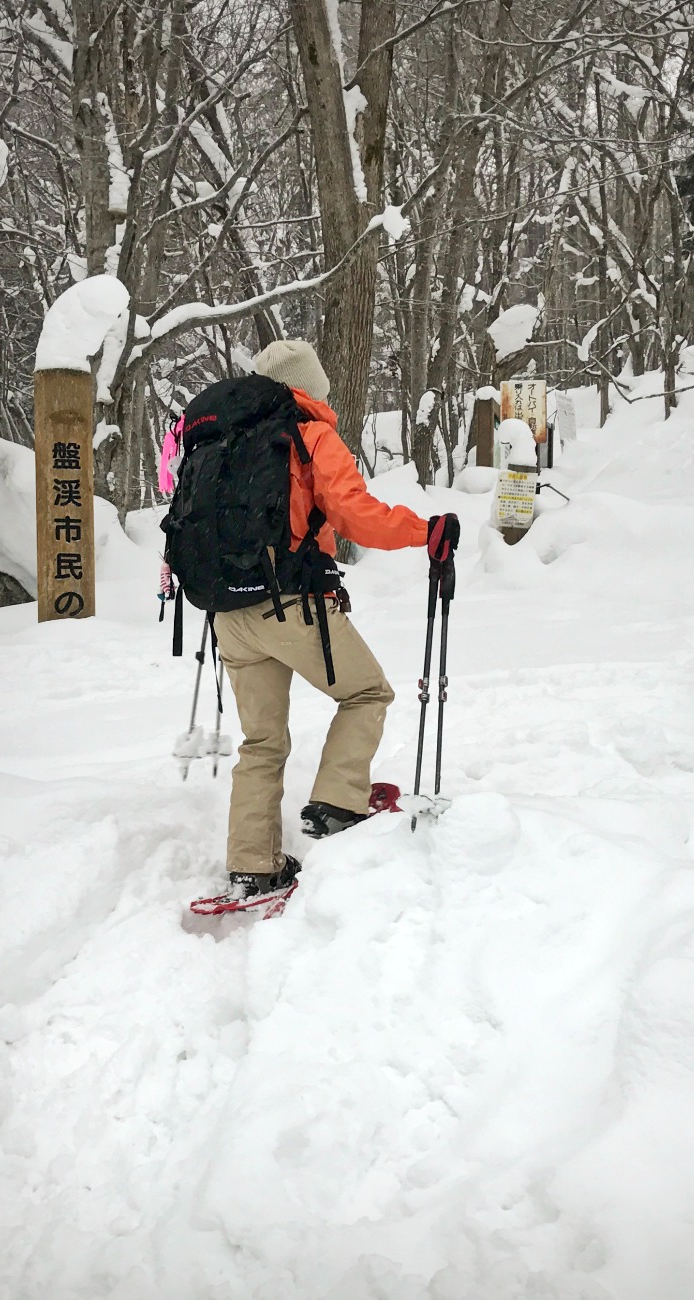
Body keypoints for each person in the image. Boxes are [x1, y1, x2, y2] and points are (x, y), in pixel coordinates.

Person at [211, 338, 459, 903]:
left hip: (229, 613)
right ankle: (337, 804)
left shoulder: (225, 440)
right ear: (312, 385)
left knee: (261, 741)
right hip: (291, 604)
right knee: (368, 693)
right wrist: (426, 531)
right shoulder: (310, 435)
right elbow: (353, 514)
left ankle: (253, 864)